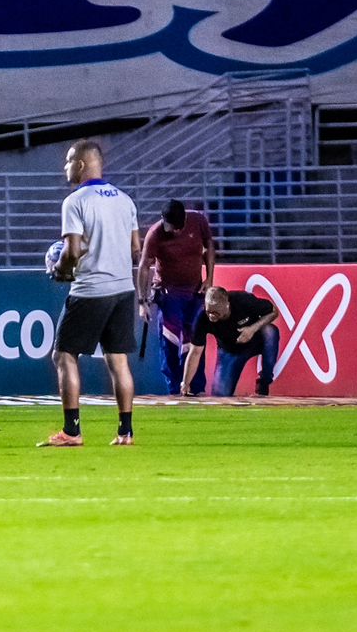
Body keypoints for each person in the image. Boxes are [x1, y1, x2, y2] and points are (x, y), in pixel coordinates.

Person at [40, 140, 141, 447]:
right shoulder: (125, 200)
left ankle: (72, 431)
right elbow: (136, 249)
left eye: (68, 161)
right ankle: (126, 432)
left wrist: (60, 269)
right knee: (118, 360)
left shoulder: (75, 201)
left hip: (90, 289)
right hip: (123, 288)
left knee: (64, 355)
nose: (65, 167)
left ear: (81, 165)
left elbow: (72, 250)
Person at [136, 198, 215, 396]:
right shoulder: (155, 233)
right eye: (170, 227)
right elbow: (144, 266)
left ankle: (196, 388)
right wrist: (142, 301)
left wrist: (209, 278)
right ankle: (174, 388)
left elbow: (209, 246)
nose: (173, 232)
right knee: (169, 341)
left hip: (195, 291)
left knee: (195, 341)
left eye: (177, 228)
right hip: (168, 292)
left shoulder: (198, 221)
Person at [183, 285, 280, 397]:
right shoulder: (202, 317)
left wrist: (252, 329)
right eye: (209, 310)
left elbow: (273, 311)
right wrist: (185, 382)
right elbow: (195, 352)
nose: (211, 315)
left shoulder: (243, 300)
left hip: (255, 340)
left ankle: (264, 381)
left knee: (270, 331)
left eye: (216, 312)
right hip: (230, 350)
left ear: (227, 305)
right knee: (220, 396)